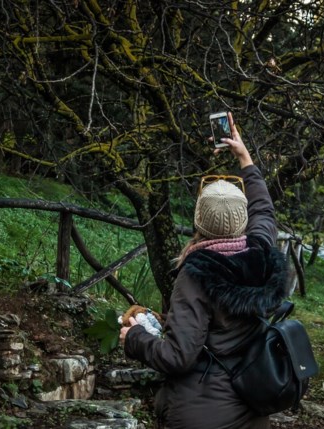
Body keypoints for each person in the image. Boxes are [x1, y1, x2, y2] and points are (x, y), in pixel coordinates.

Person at [119, 112, 288, 429]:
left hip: (204, 415)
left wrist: (136, 338)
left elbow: (178, 357)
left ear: (198, 221)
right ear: (244, 221)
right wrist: (244, 157)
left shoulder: (196, 276)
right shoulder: (262, 251)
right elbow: (263, 208)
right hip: (253, 404)